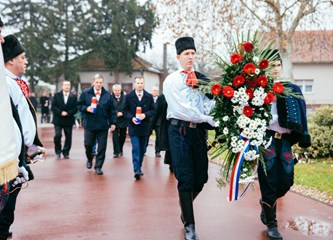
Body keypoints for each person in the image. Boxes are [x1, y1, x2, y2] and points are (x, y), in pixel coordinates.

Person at [163, 37, 217, 240]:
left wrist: (218, 112)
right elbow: (183, 110)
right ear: (178, 57)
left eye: (193, 53)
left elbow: (207, 104)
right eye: (186, 54)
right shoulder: (172, 80)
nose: (190, 57)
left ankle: (185, 210)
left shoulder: (201, 79)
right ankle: (190, 226)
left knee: (201, 178)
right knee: (185, 179)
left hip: (198, 133)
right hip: (180, 131)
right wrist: (211, 121)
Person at [258, 51, 311, 240]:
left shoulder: (291, 88)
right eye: (270, 65)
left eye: (277, 65)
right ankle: (272, 224)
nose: (274, 69)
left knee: (287, 182)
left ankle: (266, 202)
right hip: (268, 140)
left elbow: (302, 113)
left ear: (280, 67)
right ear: (264, 67)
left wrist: (304, 134)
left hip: (286, 142)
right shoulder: (258, 90)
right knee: (269, 182)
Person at [1, 31, 35, 240]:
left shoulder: (13, 81)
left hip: (15, 148)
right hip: (9, 149)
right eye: (22, 57)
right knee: (8, 191)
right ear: (11, 60)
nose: (26, 61)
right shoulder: (7, 82)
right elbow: (14, 117)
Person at [77, 74, 116, 175]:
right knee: (88, 144)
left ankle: (98, 166)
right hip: (89, 124)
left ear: (103, 83)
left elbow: (112, 110)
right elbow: (79, 105)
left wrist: (113, 123)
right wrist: (86, 108)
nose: (99, 84)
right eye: (97, 82)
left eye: (100, 82)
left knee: (102, 147)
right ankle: (89, 158)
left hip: (103, 125)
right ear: (93, 82)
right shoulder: (86, 93)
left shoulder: (107, 95)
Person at [124, 76, 155, 180]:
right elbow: (125, 111)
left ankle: (139, 166)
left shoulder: (149, 96)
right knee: (136, 148)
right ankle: (136, 169)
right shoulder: (129, 96)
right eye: (138, 83)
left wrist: (145, 115)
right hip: (133, 127)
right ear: (134, 84)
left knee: (142, 149)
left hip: (145, 127)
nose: (140, 85)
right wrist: (131, 118)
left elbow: (153, 110)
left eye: (141, 83)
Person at [52, 80, 77, 159]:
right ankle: (58, 151)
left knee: (68, 137)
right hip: (58, 119)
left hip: (68, 120)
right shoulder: (57, 95)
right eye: (65, 85)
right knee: (57, 135)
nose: (67, 86)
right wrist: (60, 112)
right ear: (62, 86)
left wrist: (68, 113)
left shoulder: (73, 96)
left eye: (68, 85)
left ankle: (66, 152)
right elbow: (53, 106)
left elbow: (76, 108)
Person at [111, 84, 128, 158]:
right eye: (115, 90)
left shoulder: (125, 97)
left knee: (123, 136)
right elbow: (110, 107)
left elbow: (128, 107)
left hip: (123, 119)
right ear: (113, 91)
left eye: (118, 90)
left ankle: (120, 149)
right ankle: (116, 151)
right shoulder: (110, 98)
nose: (117, 92)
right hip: (114, 119)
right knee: (115, 136)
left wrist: (122, 113)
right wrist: (116, 112)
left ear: (120, 90)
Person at [147, 86, 161, 157]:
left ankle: (157, 151)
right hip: (149, 121)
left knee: (158, 137)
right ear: (151, 91)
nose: (155, 92)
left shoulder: (161, 100)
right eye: (154, 90)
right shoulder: (148, 99)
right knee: (147, 135)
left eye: (156, 90)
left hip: (158, 121)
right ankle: (144, 149)